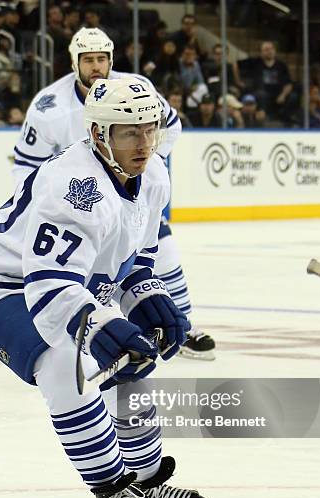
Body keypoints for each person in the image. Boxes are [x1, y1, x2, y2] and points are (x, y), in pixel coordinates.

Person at [0, 78, 215, 498]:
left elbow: (138, 256)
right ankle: (112, 488)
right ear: (99, 134)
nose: (144, 144)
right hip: (0, 287)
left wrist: (146, 294)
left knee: (134, 358)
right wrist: (98, 326)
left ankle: (148, 480)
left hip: (68, 283)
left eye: (150, 129)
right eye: (129, 133)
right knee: (63, 365)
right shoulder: (75, 188)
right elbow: (49, 287)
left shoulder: (153, 173)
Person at [12, 27, 216, 360]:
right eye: (88, 59)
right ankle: (81, 326)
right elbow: (25, 167)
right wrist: (38, 207)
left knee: (161, 250)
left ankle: (182, 324)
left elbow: (171, 125)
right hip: (77, 205)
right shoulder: (49, 106)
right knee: (74, 272)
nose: (96, 66)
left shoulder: (135, 89)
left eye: (102, 59)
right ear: (74, 62)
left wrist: (146, 167)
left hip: (127, 195)